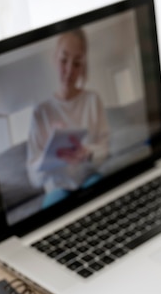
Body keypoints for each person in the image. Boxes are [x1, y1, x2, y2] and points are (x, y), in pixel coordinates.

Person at [27, 28, 109, 206]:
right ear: (55, 58)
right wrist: (52, 154)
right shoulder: (41, 112)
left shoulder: (92, 100)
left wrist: (86, 154)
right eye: (64, 60)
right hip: (57, 188)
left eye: (77, 63)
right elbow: (34, 178)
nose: (69, 70)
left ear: (83, 67)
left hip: (89, 178)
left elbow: (105, 149)